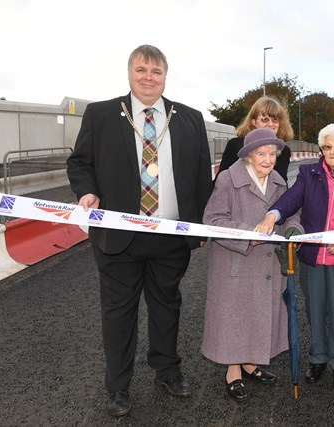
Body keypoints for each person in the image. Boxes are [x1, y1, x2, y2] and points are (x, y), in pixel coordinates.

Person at [66, 45, 213, 417]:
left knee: (168, 306)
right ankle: (118, 386)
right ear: (129, 73)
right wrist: (87, 191)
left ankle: (166, 370)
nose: (148, 77)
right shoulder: (101, 114)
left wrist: (200, 227)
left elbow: (200, 178)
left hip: (170, 236)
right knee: (119, 313)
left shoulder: (191, 119)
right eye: (141, 70)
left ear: (166, 75)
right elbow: (80, 162)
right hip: (118, 237)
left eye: (156, 71)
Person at [255, 123, 334, 390]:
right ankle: (317, 359)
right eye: (327, 146)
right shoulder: (308, 173)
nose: (332, 152)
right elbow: (291, 199)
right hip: (312, 257)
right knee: (314, 310)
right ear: (321, 148)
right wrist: (273, 214)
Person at [200, 127, 302, 402]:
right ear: (248, 156)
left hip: (267, 266)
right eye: (261, 154)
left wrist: (294, 230)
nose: (268, 159)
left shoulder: (279, 181)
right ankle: (233, 370)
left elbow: (291, 213)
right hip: (236, 262)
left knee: (257, 316)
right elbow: (213, 221)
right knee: (236, 317)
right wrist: (248, 235)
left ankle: (250, 363)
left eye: (272, 154)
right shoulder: (227, 180)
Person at [215, 96, 293, 184]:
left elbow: (282, 184)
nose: (271, 124)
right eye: (265, 119)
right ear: (254, 122)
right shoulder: (235, 145)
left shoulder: (284, 151)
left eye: (275, 120)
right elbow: (221, 180)